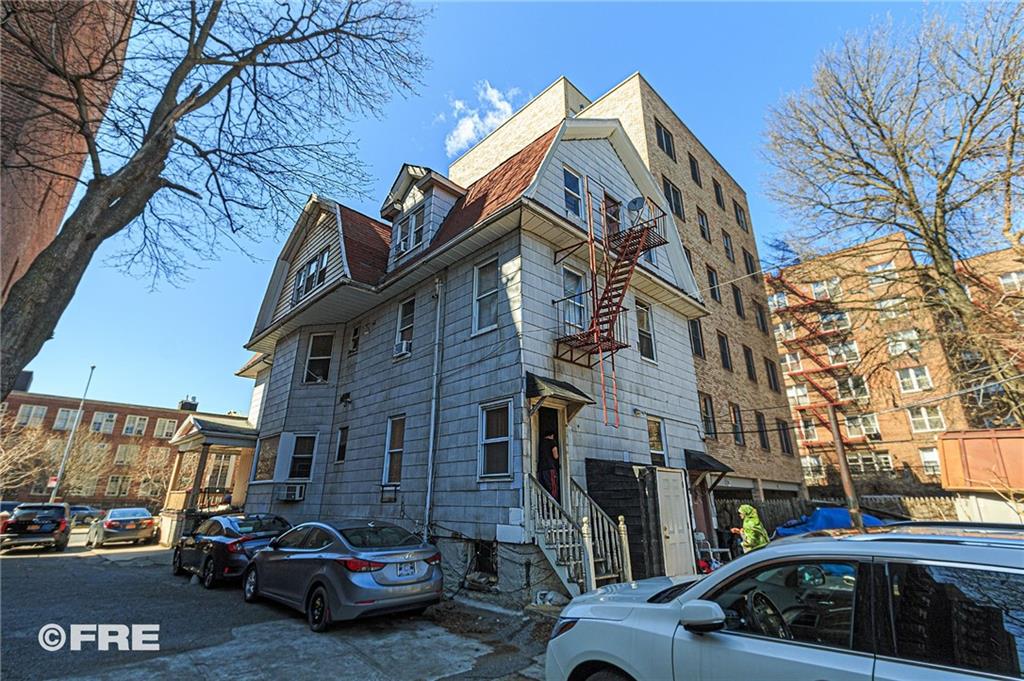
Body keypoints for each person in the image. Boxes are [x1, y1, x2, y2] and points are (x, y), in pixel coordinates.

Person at [537, 431, 561, 502]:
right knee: (553, 489)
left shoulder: (541, 443)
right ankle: (554, 508)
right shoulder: (552, 442)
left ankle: (546, 508)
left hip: (541, 469)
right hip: (550, 468)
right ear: (552, 435)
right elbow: (555, 456)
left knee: (544, 488)